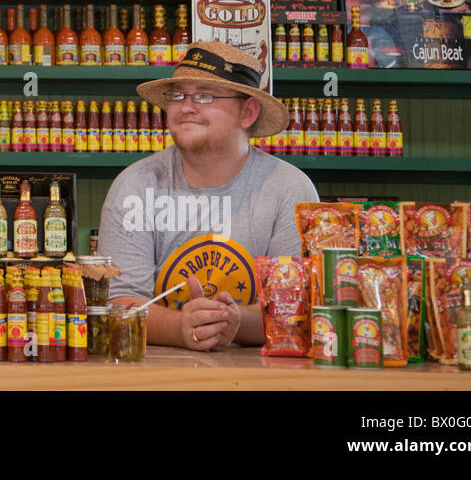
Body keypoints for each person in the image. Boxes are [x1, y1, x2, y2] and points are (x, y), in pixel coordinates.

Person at [96, 40, 318, 351]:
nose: (186, 106)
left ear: (248, 111)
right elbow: (117, 304)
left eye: (204, 95)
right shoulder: (135, 186)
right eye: (177, 95)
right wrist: (179, 328)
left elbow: (297, 308)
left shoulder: (289, 190)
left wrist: (234, 321)